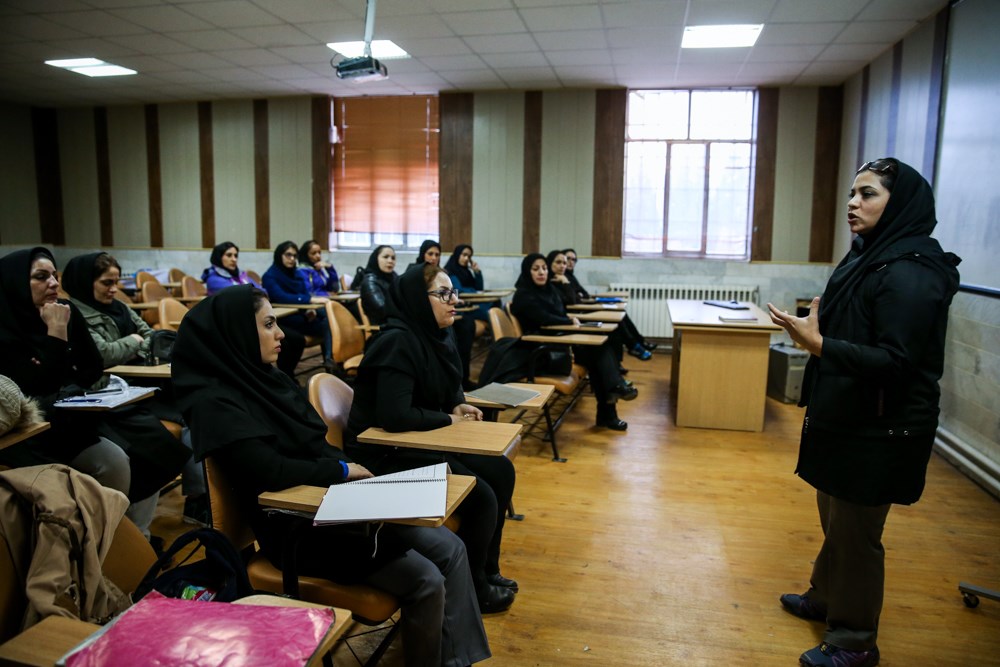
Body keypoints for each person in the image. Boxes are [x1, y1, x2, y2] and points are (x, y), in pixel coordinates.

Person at [171, 285, 490, 666]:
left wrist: (366, 479)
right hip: (296, 525)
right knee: (426, 578)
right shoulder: (215, 405)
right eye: (269, 324)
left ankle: (457, 659)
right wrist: (341, 470)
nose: (281, 334)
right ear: (237, 332)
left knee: (451, 547)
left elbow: (316, 444)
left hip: (335, 503)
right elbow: (270, 471)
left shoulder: (268, 379)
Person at [767, 158, 960, 667]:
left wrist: (818, 344)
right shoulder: (871, 256)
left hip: (882, 429)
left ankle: (854, 641)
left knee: (858, 536)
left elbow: (897, 363)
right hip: (850, 419)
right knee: (838, 522)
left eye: (868, 193)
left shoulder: (912, 271)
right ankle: (826, 596)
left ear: (901, 204)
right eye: (853, 193)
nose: (852, 203)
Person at [346, 264, 517, 614]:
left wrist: (457, 403)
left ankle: (488, 569)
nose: (454, 300)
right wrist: (449, 417)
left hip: (419, 440)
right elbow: (395, 416)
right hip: (384, 453)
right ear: (416, 299)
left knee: (501, 470)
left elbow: (446, 384)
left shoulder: (436, 334)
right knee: (481, 495)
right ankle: (474, 588)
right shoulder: (396, 341)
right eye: (443, 294)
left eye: (453, 292)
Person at [0, 248, 189, 540]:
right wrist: (57, 335)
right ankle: (107, 541)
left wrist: (66, 347)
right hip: (31, 430)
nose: (53, 283)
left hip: (76, 410)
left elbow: (90, 369)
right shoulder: (6, 328)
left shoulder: (65, 311)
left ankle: (138, 536)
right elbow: (39, 389)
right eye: (41, 277)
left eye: (54, 275)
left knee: (153, 445)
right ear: (15, 283)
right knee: (115, 460)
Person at [61, 252, 209, 527]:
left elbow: (151, 336)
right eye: (106, 282)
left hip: (140, 384)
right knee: (173, 426)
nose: (114, 289)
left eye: (116, 282)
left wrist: (132, 343)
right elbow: (103, 354)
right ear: (84, 281)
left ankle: (198, 497)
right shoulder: (74, 314)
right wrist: (134, 341)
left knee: (197, 405)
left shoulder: (120, 307)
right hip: (110, 391)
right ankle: (191, 500)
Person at [511, 253, 636, 430]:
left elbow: (564, 308)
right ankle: (611, 402)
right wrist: (568, 321)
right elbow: (544, 318)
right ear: (526, 271)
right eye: (535, 269)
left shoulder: (548, 290)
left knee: (599, 350)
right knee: (598, 354)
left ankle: (612, 397)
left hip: (558, 343)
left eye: (544, 268)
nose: (541, 272)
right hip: (540, 353)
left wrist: (567, 317)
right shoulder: (524, 296)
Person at [201, 242, 305, 380]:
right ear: (218, 257)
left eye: (236, 255)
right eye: (229, 255)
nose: (234, 259)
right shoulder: (214, 279)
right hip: (235, 325)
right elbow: (239, 297)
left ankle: (286, 376)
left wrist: (253, 292)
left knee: (296, 339)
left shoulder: (241, 275)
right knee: (284, 342)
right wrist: (253, 292)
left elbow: (262, 292)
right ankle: (279, 377)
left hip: (256, 319)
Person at [560, 249, 656, 360]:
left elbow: (585, 294)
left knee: (620, 314)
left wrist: (579, 296)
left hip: (584, 308)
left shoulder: (571, 276)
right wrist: (575, 293)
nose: (570, 262)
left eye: (574, 260)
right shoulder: (561, 278)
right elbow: (572, 300)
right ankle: (634, 345)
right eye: (567, 259)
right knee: (616, 320)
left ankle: (638, 342)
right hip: (578, 315)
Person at [262, 241, 333, 372]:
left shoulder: (296, 274)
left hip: (302, 315)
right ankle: (330, 360)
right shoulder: (270, 276)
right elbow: (281, 297)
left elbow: (304, 292)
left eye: (295, 256)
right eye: (288, 255)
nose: (292, 259)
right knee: (325, 322)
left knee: (329, 321)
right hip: (285, 318)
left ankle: (330, 361)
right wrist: (308, 301)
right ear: (279, 255)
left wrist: (310, 309)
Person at [359, 245, 399, 326]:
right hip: (383, 328)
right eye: (385, 257)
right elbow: (383, 309)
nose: (390, 261)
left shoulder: (394, 277)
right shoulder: (370, 282)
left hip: (395, 323)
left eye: (393, 258)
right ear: (375, 259)